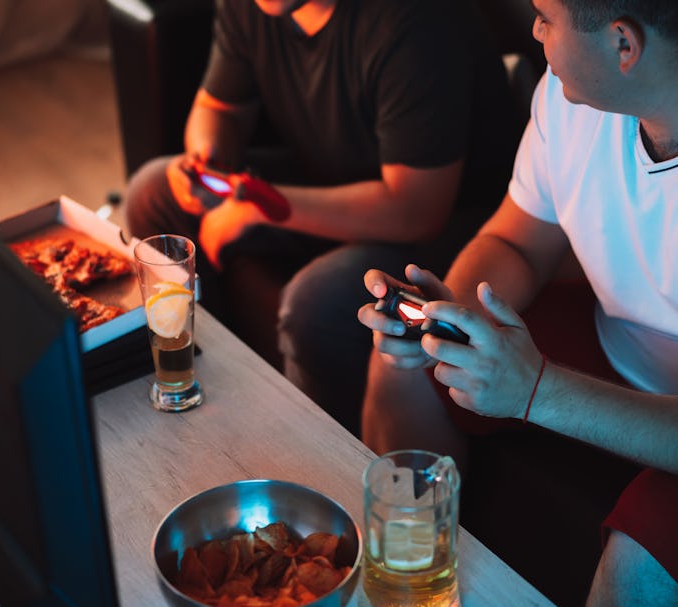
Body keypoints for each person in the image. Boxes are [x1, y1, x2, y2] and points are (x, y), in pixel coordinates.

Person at [358, 0, 678, 604]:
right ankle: (413, 585)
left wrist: (536, 391)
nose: (533, 32)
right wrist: (450, 317)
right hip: (618, 344)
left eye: (544, 16)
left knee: (637, 567)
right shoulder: (572, 99)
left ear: (623, 45)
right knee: (410, 366)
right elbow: (514, 241)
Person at [123, 0, 521, 435]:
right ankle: (207, 394)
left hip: (450, 220)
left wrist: (262, 209)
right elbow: (218, 108)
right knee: (155, 192)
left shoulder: (416, 22)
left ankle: (321, 457)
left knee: (316, 302)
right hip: (335, 177)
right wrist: (206, 162)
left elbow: (415, 210)